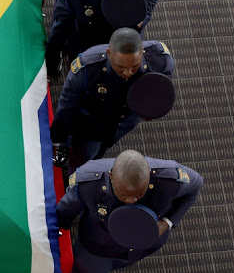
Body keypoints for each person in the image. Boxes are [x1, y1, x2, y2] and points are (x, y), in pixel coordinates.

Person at [57, 150, 203, 273]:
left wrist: (166, 223)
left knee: (105, 271)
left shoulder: (170, 177)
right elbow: (66, 208)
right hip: (97, 248)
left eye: (139, 195)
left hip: (143, 244)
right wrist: (58, 228)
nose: (132, 200)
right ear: (111, 176)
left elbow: (195, 187)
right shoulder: (89, 181)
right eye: (124, 195)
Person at [50, 28, 174, 174]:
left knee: (104, 147)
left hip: (125, 121)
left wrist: (149, 108)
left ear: (142, 53)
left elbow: (162, 86)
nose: (127, 73)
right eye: (120, 67)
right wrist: (57, 140)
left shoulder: (160, 59)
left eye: (134, 67)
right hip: (92, 124)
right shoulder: (88, 68)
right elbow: (67, 107)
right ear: (109, 53)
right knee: (83, 156)